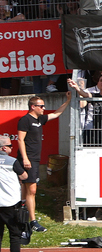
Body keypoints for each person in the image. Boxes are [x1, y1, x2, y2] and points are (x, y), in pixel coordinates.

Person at [16, 92, 72, 233]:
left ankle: (22, 215)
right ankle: (33, 221)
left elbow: (56, 114)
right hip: (28, 158)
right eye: (41, 106)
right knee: (32, 189)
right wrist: (25, 158)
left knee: (27, 187)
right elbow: (20, 139)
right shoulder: (25, 120)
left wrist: (68, 100)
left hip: (34, 158)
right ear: (33, 106)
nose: (43, 108)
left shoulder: (40, 119)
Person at [0, 135, 30, 252]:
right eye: (10, 146)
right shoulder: (12, 161)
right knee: (15, 235)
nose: (12, 148)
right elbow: (24, 176)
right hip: (11, 203)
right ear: (4, 148)